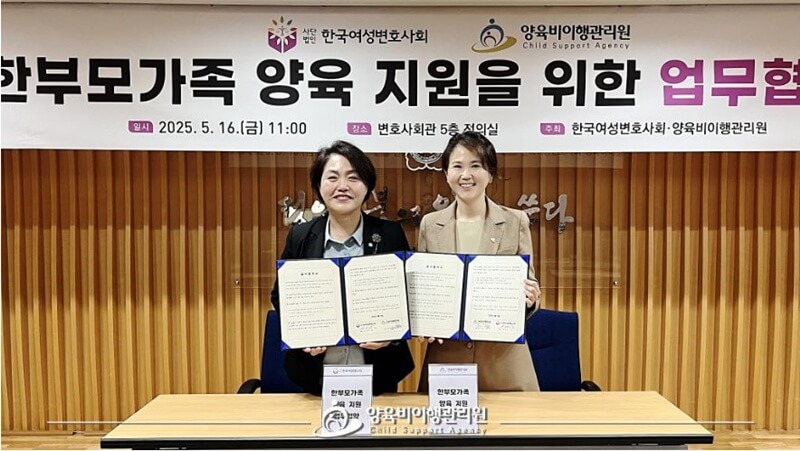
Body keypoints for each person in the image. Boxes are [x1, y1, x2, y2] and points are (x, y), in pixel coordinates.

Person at [270, 140, 415, 396]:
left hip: (378, 374)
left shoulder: (390, 234)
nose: (343, 186)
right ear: (319, 185)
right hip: (315, 372)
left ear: (367, 186)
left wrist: (392, 335)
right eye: (332, 177)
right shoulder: (301, 236)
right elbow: (280, 295)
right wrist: (303, 333)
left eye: (353, 177)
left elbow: (407, 297)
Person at [417, 131, 542, 391]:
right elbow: (424, 289)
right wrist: (422, 319)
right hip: (448, 359)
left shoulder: (515, 221)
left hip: (504, 361)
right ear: (446, 173)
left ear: (490, 174)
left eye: (476, 166)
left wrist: (530, 298)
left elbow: (529, 284)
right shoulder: (430, 225)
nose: (466, 175)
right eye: (457, 166)